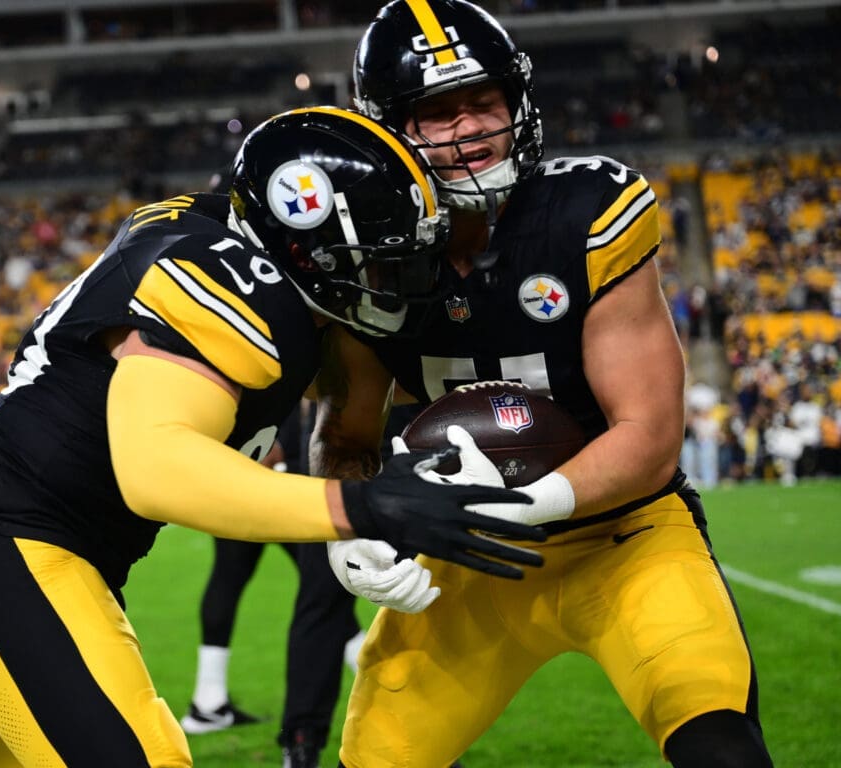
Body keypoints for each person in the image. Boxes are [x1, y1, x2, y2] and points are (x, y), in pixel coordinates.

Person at [0, 105, 548, 768]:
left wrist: (356, 524)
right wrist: (361, 508)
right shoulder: (237, 288)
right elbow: (153, 466)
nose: (400, 277)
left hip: (24, 539)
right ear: (305, 241)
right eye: (381, 259)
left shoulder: (257, 268)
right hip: (3, 533)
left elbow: (339, 414)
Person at [313, 3, 776, 767]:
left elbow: (650, 437)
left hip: (621, 538)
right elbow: (348, 434)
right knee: (378, 759)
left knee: (717, 738)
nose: (470, 128)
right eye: (436, 112)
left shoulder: (586, 211)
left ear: (517, 103)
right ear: (392, 129)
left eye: (483, 101)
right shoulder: (364, 251)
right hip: (466, 560)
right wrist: (349, 524)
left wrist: (523, 503)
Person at [181, 402, 367, 768]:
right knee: (323, 588)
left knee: (235, 577)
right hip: (284, 469)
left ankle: (208, 702)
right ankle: (378, 680)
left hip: (246, 462)